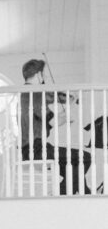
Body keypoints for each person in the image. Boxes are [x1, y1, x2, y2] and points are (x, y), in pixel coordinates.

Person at [19, 58, 91, 195]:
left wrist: (67, 108)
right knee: (85, 157)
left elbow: (47, 121)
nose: (45, 78)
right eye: (43, 74)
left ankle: (84, 193)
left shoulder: (25, 94)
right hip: (36, 150)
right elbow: (53, 121)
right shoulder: (34, 94)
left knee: (74, 169)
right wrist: (69, 106)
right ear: (38, 74)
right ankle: (61, 193)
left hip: (31, 149)